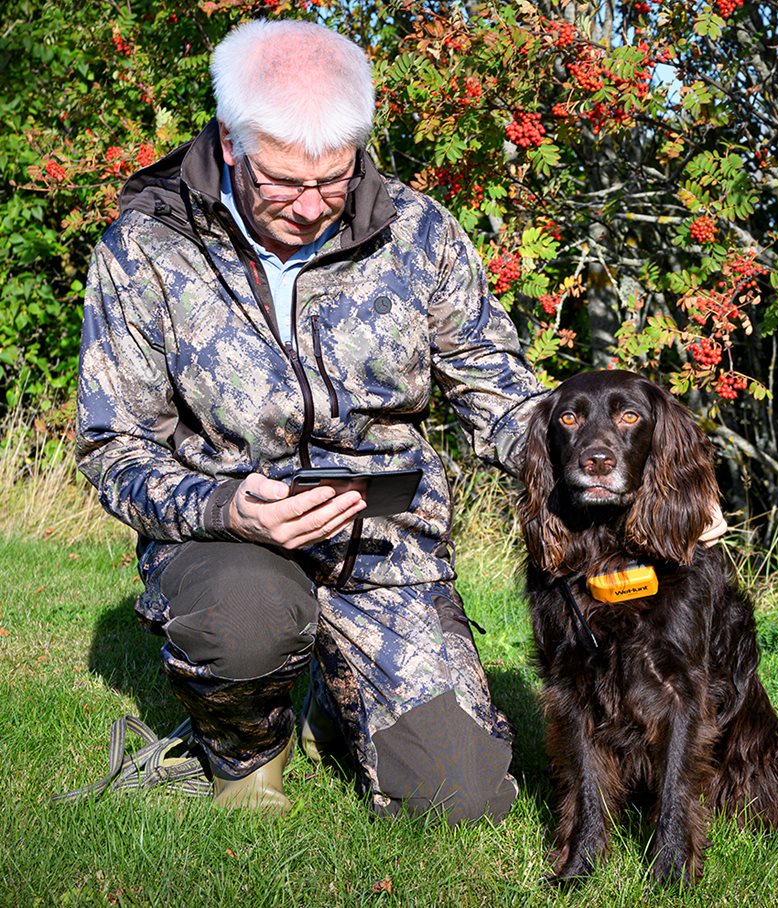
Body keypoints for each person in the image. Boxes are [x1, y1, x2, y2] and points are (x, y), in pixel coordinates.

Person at [77, 18, 726, 821]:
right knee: (243, 616)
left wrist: (650, 477)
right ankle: (245, 748)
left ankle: (336, 696)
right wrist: (223, 507)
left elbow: (501, 397)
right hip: (229, 541)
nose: (309, 206)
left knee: (462, 798)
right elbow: (113, 446)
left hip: (387, 551)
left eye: (333, 180)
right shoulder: (145, 247)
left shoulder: (420, 233)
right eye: (284, 182)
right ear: (231, 143)